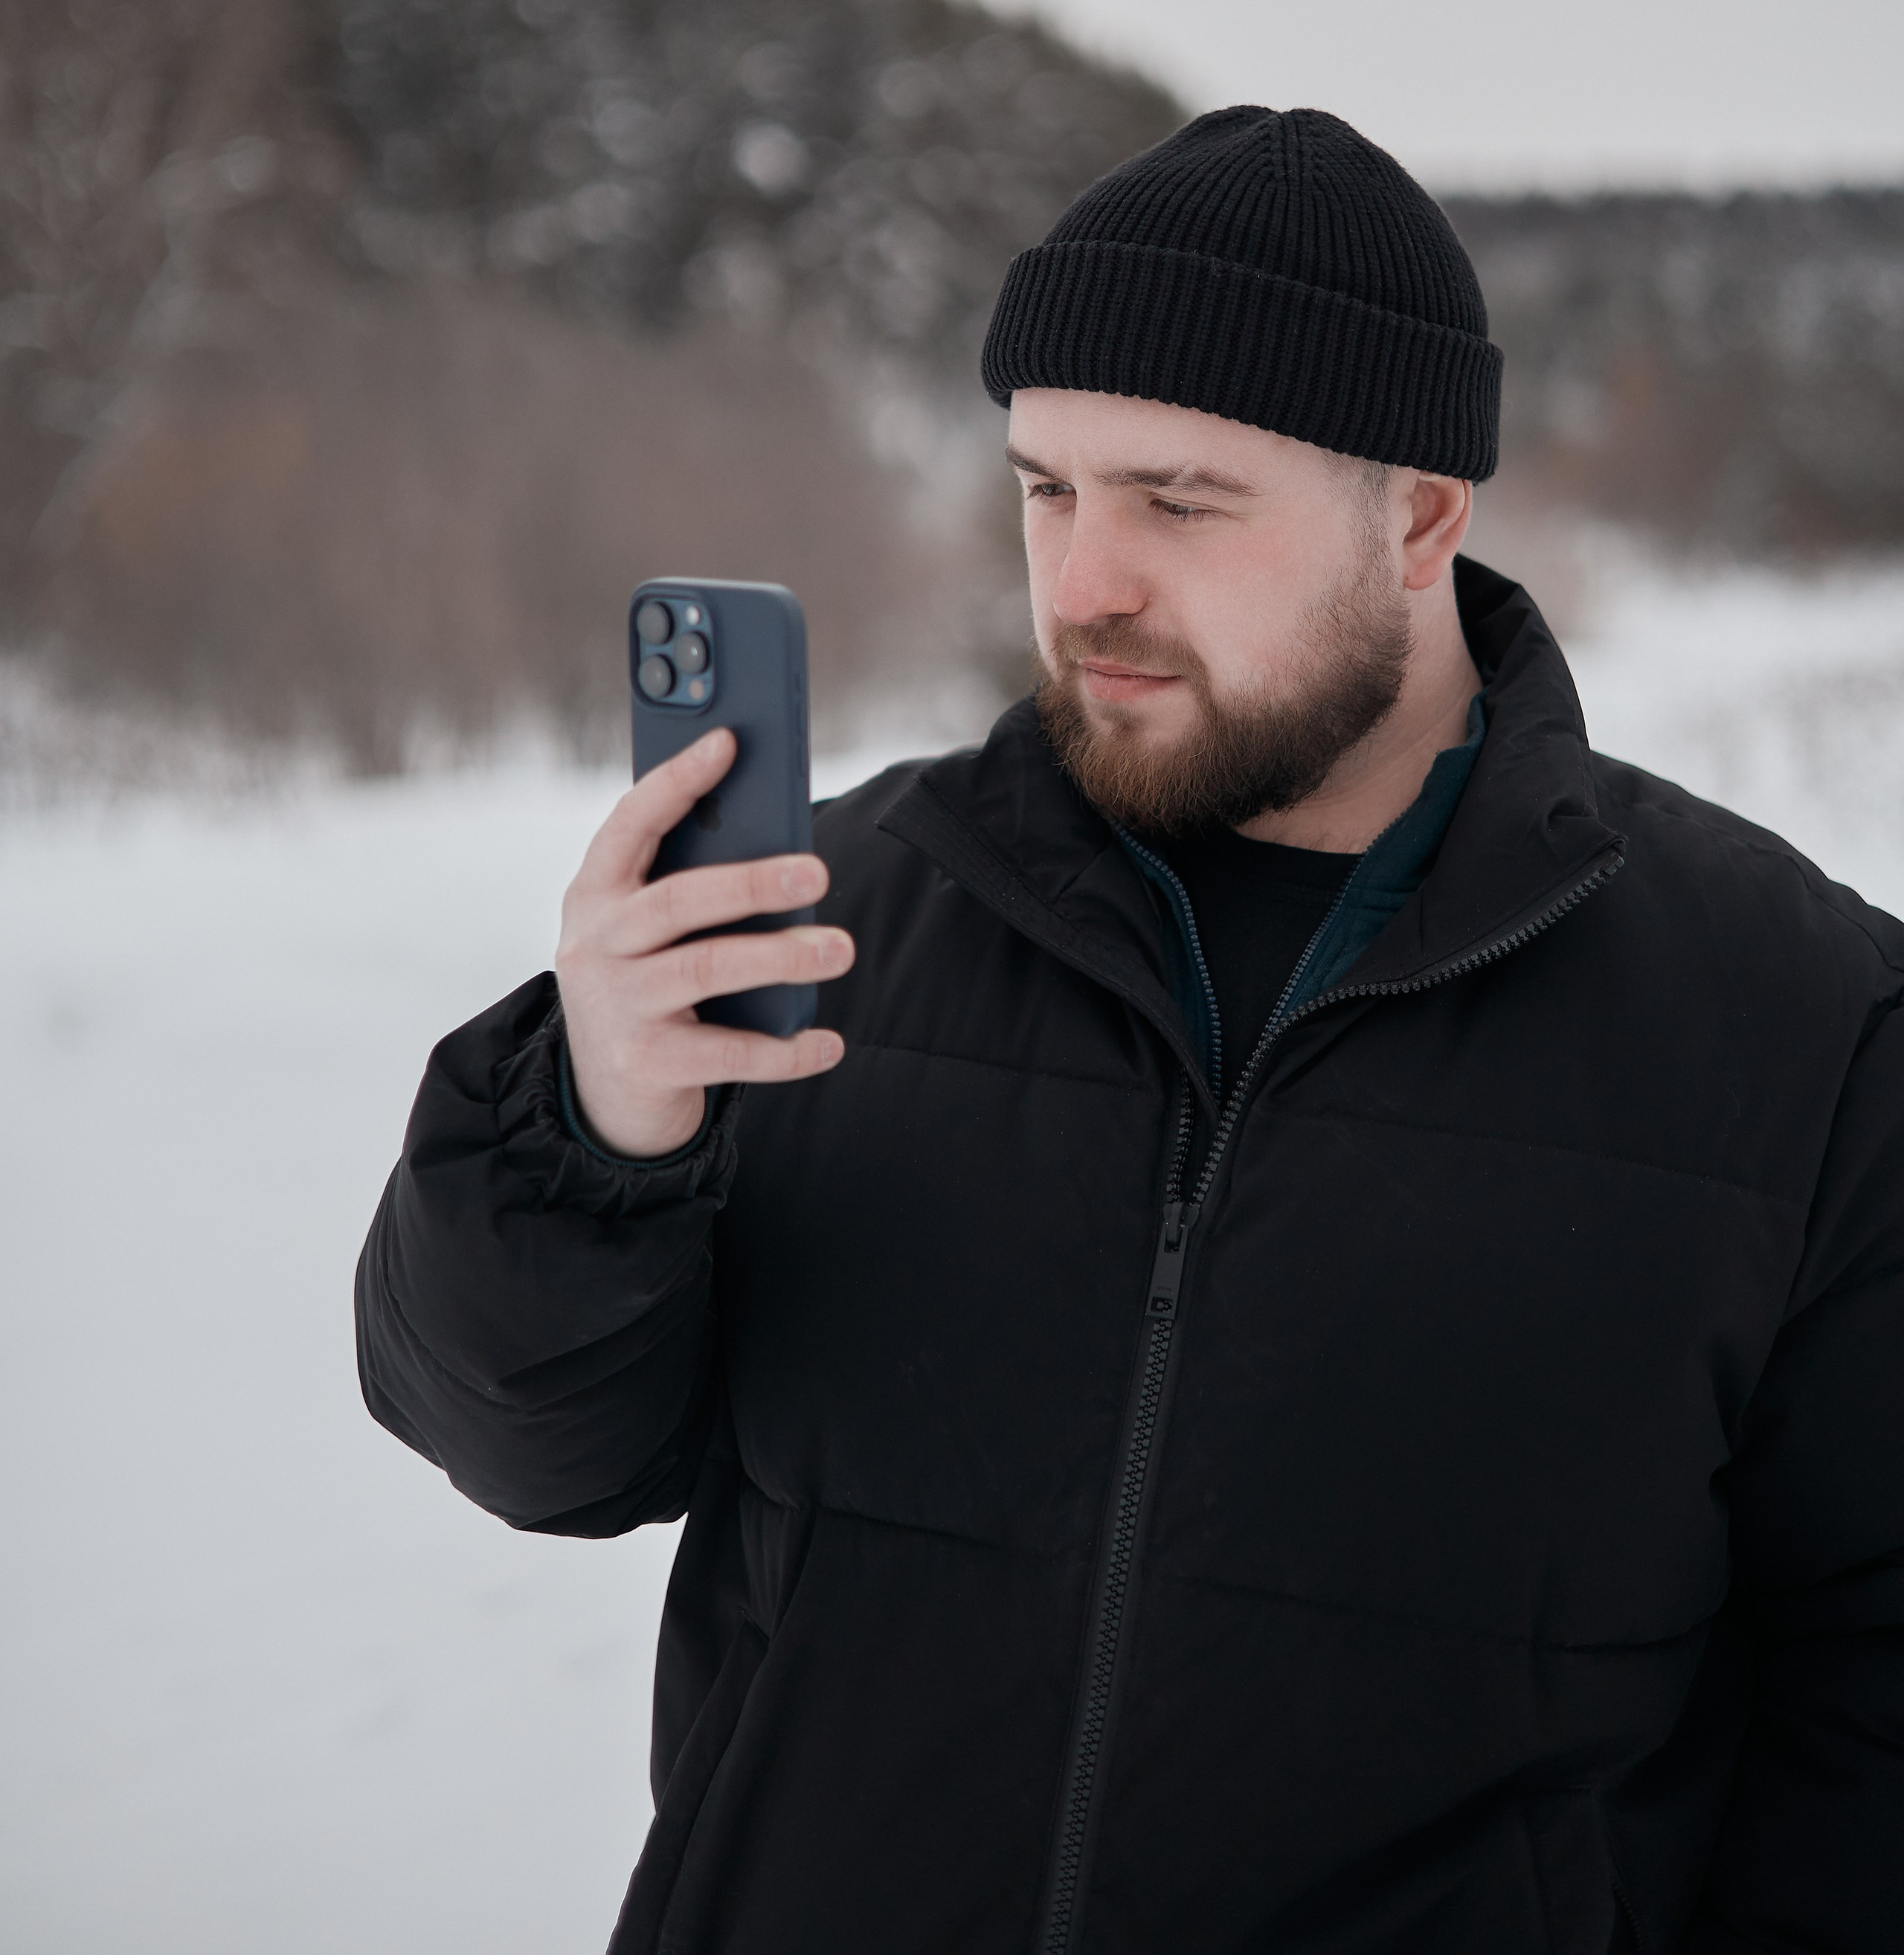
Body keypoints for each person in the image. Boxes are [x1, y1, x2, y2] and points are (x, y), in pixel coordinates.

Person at [356, 106, 1904, 1955]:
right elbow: (537, 1450)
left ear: (1417, 515)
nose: (1084, 579)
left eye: (1176, 501)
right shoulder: (820, 916)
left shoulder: (1796, 1027)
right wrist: (597, 1141)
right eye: (1046, 488)